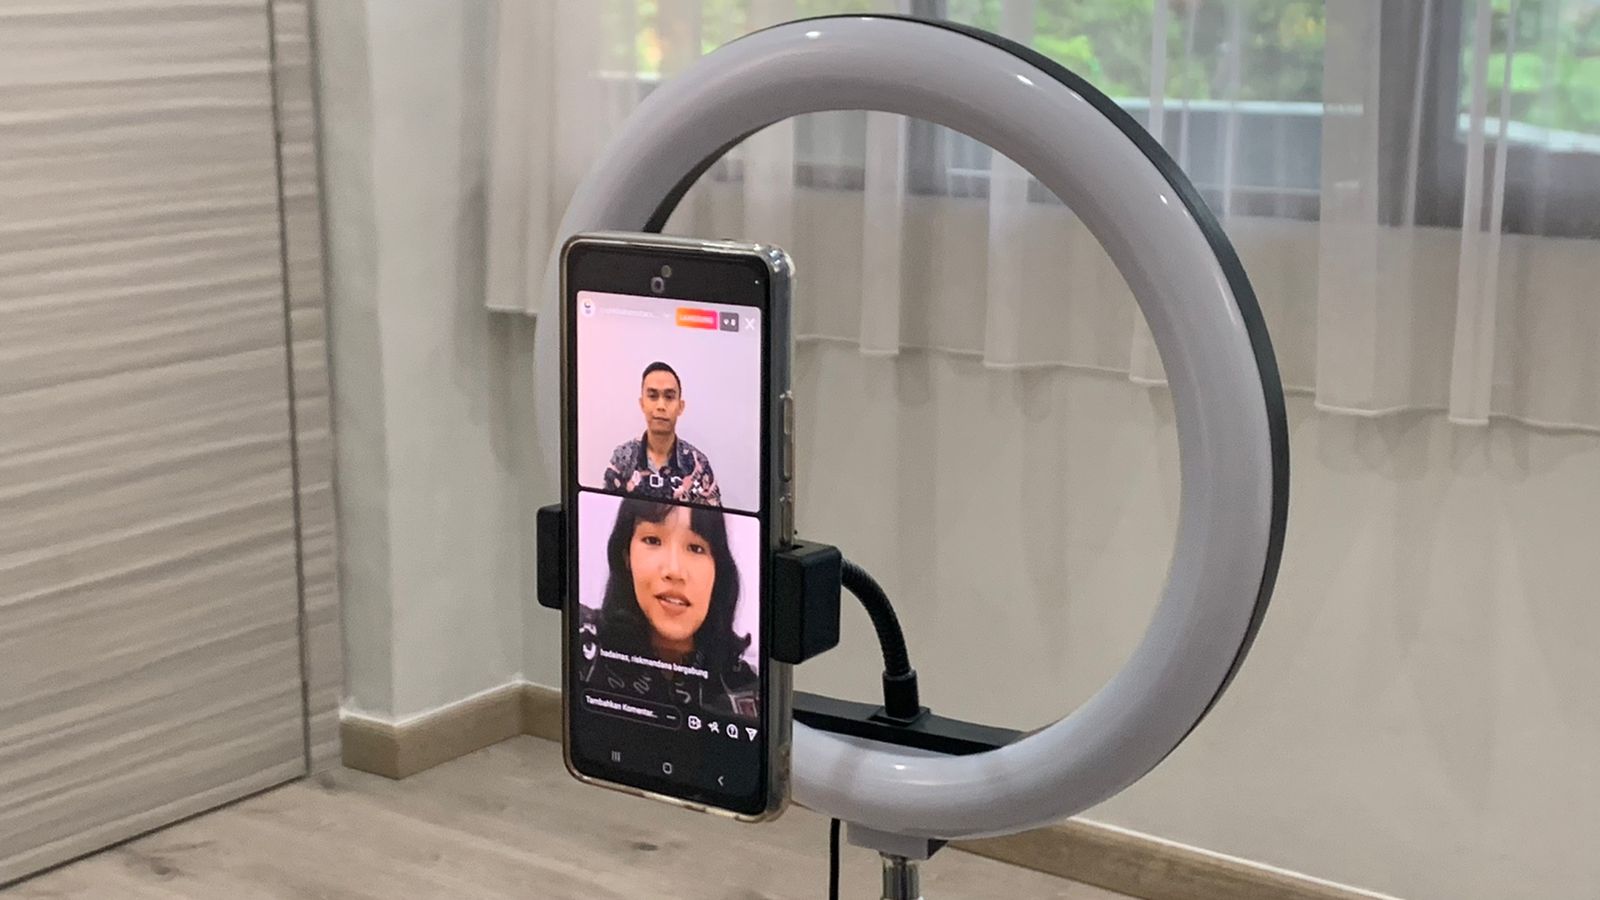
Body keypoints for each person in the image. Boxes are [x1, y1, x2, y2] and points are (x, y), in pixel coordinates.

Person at [577, 498, 758, 719]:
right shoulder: (581, 642)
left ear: (718, 571)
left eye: (696, 548)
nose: (674, 570)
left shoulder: (746, 688)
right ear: (626, 557)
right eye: (653, 540)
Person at [602, 362, 721, 506]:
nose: (661, 406)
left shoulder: (697, 464)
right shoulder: (624, 459)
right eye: (653, 396)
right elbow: (607, 513)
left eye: (669, 397)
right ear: (642, 404)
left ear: (680, 407)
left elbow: (712, 518)